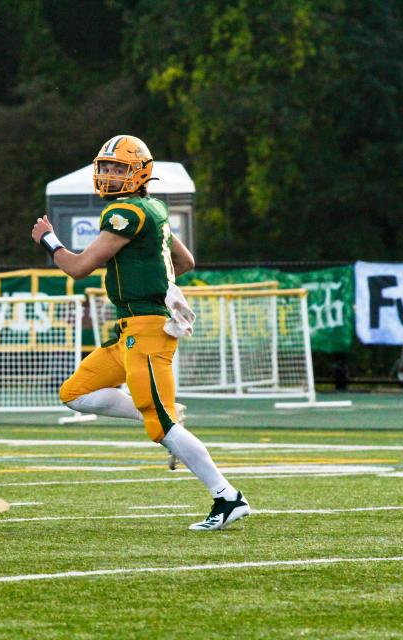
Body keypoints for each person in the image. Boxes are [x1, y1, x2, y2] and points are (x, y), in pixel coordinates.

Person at [30, 135, 250, 531]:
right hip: (129, 330)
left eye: (119, 168)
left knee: (160, 427)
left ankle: (227, 496)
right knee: (75, 393)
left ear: (140, 172)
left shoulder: (127, 213)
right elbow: (184, 261)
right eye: (108, 168)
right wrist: (151, 279)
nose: (111, 175)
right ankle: (167, 413)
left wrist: (48, 240)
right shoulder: (154, 209)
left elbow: (78, 268)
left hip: (147, 330)